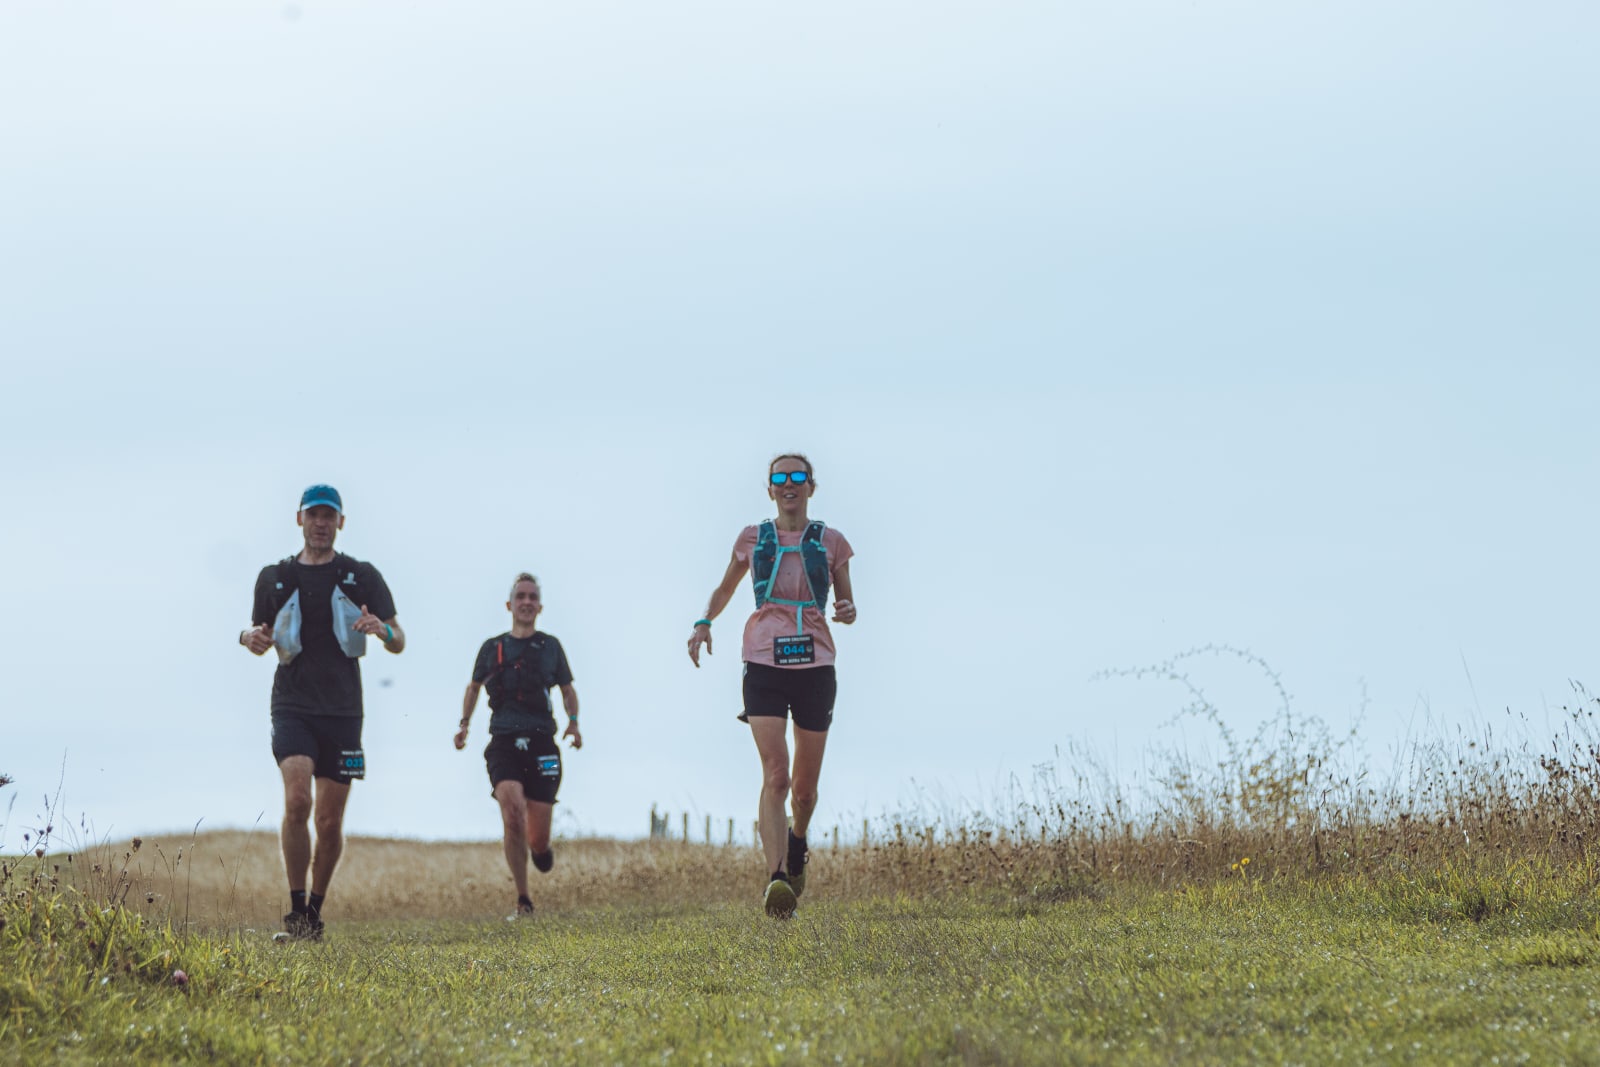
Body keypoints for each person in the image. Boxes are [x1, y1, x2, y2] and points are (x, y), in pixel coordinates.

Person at [687, 453, 856, 918]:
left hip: (815, 663)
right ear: (769, 489)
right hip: (762, 658)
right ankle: (777, 879)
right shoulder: (752, 539)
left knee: (804, 791)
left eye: (797, 476)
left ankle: (798, 840)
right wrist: (704, 622)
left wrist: (847, 611)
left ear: (811, 487)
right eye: (779, 477)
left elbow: (846, 602)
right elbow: (724, 589)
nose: (788, 484)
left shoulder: (832, 542)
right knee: (776, 774)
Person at [239, 484, 404, 941]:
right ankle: (294, 909)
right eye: (313, 515)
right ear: (300, 519)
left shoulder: (361, 575)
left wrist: (382, 630)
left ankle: (314, 911)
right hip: (292, 705)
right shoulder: (274, 577)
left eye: (329, 516)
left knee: (329, 821)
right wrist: (246, 638)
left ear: (340, 523)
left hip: (344, 712)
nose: (321, 523)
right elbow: (258, 634)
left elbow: (399, 638)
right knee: (298, 801)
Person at [455, 573, 582, 917]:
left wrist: (574, 724)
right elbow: (473, 687)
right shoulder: (492, 648)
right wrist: (464, 724)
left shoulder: (550, 646)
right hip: (504, 741)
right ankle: (524, 900)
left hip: (543, 742)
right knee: (512, 813)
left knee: (537, 836)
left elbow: (568, 690)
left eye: (532, 597)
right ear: (509, 605)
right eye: (520, 596)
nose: (526, 602)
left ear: (540, 606)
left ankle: (540, 851)